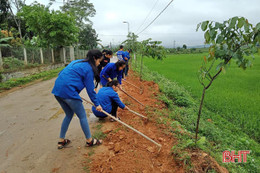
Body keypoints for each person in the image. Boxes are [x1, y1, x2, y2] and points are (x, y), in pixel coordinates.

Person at [52, 49, 104, 149]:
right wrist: (97, 104)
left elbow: (61, 74)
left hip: (58, 91)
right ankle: (89, 141)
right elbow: (90, 90)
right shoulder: (89, 69)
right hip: (68, 92)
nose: (98, 63)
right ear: (94, 58)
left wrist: (69, 88)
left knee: (69, 114)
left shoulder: (76, 61)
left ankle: (61, 140)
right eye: (98, 61)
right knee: (82, 116)